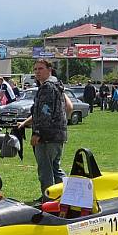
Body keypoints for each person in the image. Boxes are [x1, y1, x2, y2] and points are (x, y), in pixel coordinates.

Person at [17, 59, 72, 201]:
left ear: (49, 69)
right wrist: (24, 123)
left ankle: (48, 200)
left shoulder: (47, 87)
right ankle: (68, 196)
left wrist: (37, 133)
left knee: (46, 171)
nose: (37, 72)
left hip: (47, 137)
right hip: (58, 135)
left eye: (40, 69)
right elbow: (69, 107)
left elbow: (44, 113)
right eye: (35, 69)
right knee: (55, 169)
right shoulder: (58, 86)